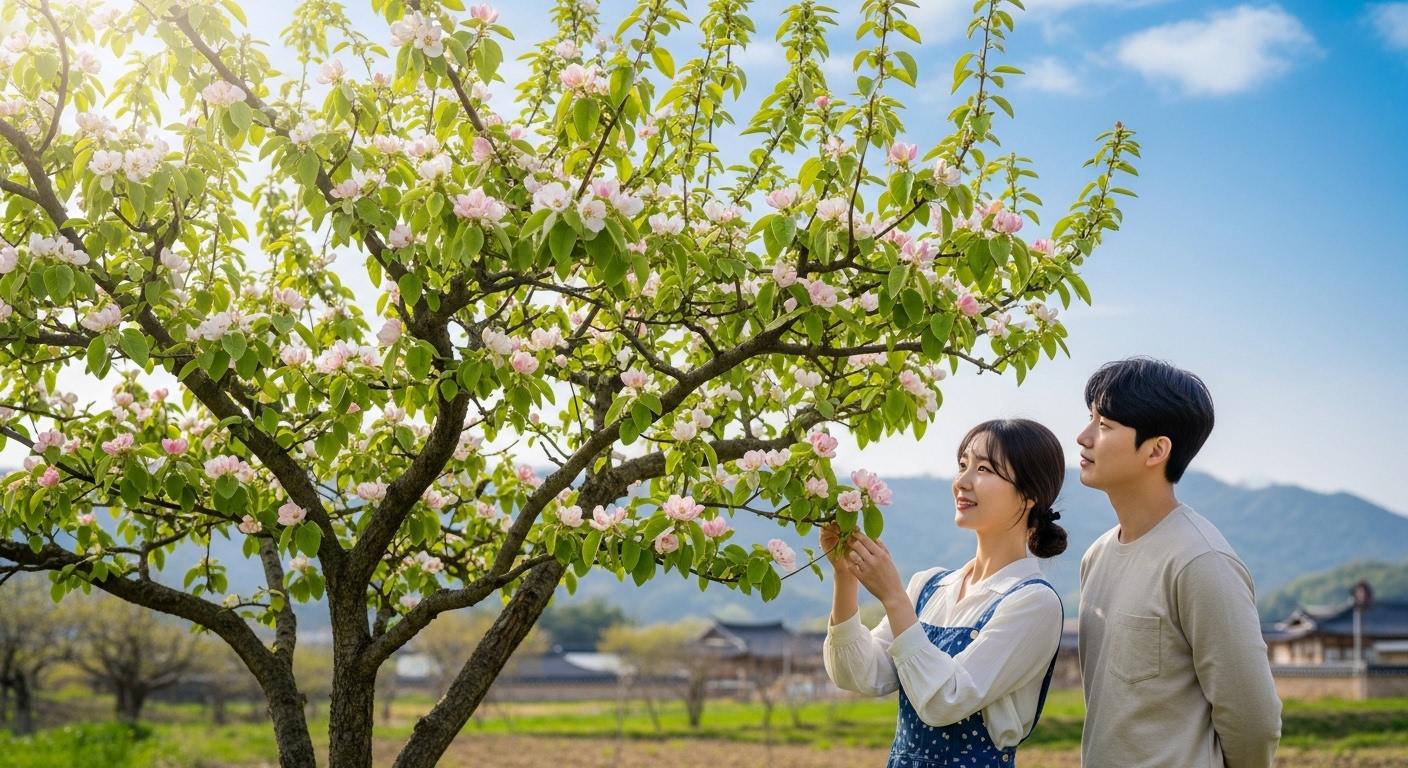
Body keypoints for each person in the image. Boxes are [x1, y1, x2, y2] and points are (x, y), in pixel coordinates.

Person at [822, 419, 1067, 767]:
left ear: (1029, 496)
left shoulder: (1033, 602)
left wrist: (892, 596)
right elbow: (862, 674)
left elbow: (947, 699)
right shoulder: (929, 587)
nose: (962, 482)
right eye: (963, 465)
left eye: (983, 469)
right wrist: (845, 577)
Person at [1076, 358, 1281, 767]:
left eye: (1104, 425)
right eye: (1090, 419)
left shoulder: (1201, 561)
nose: (1083, 437)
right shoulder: (1096, 556)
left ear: (1156, 450)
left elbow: (1254, 722)